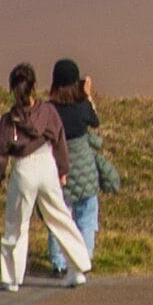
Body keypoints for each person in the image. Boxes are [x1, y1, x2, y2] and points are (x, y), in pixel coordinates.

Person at [0, 61, 91, 289]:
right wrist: (63, 170)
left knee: (16, 223)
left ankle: (12, 278)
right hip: (47, 165)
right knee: (60, 216)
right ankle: (78, 267)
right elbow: (59, 141)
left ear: (12, 89)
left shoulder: (9, 120)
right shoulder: (47, 111)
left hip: (23, 168)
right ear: (35, 86)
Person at [50, 59, 121, 279]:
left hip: (59, 171)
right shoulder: (81, 108)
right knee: (87, 216)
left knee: (59, 217)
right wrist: (88, 95)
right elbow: (95, 120)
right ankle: (84, 258)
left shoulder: (50, 110)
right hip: (86, 173)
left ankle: (59, 262)